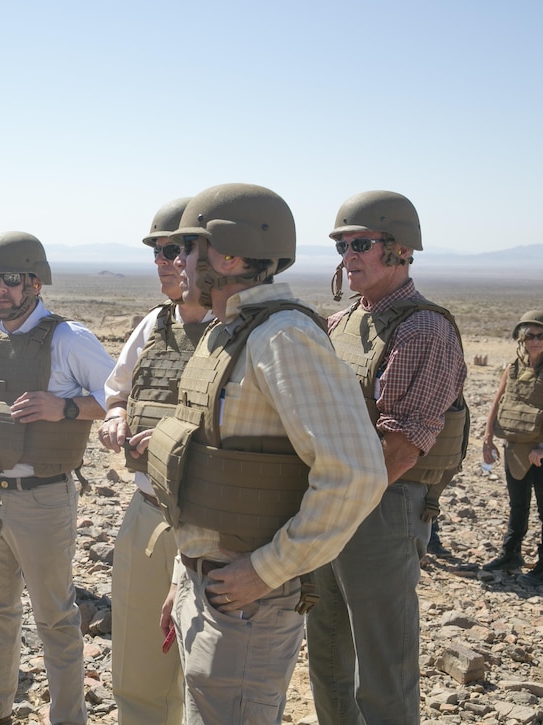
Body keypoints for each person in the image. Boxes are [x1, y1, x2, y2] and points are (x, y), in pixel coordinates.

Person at [144, 183, 387, 725]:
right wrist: (185, 579)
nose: (175, 262)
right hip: (209, 585)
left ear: (228, 256)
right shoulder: (225, 335)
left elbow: (357, 474)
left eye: (186, 247)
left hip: (246, 602)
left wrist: (267, 570)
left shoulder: (282, 337)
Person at [308, 190, 468, 725]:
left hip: (382, 505)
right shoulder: (344, 322)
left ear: (400, 251)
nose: (347, 255)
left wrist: (333, 503)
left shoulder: (424, 330)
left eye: (361, 244)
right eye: (342, 245)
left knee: (382, 670)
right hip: (336, 498)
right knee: (328, 651)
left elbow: (398, 449)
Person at [0, 232, 115, 725]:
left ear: (35, 283)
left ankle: (68, 718)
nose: (0, 290)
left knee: (56, 619)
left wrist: (63, 407)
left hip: (41, 498)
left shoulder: (69, 339)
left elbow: (119, 400)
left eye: (11, 280)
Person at [97, 196, 212, 725]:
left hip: (214, 520)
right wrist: (116, 418)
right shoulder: (154, 326)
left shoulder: (241, 331)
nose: (167, 261)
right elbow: (116, 391)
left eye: (178, 249)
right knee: (140, 661)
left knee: (208, 672)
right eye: (159, 251)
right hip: (147, 511)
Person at [481, 310, 543, 587]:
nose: (534, 340)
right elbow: (498, 402)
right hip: (515, 449)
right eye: (529, 335)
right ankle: (511, 554)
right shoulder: (513, 367)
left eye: (540, 335)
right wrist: (488, 439)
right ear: (520, 337)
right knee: (518, 505)